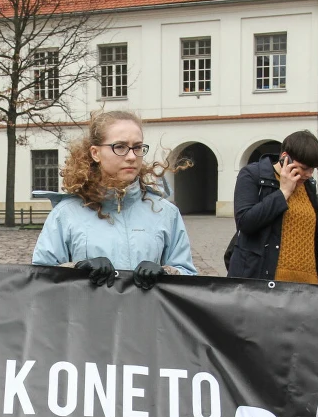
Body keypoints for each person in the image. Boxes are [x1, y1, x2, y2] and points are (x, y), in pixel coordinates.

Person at [32, 110, 196, 286]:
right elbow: (40, 277)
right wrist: (77, 269)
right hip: (87, 312)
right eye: (120, 147)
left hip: (146, 313)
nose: (132, 156)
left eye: (138, 147)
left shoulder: (165, 212)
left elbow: (188, 276)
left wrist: (167, 273)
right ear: (95, 153)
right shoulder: (66, 214)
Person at [227, 131, 318, 282]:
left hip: (307, 287)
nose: (309, 174)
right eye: (304, 168)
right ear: (285, 157)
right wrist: (283, 192)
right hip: (267, 285)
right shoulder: (252, 175)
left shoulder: (308, 185)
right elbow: (245, 222)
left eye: (313, 169)